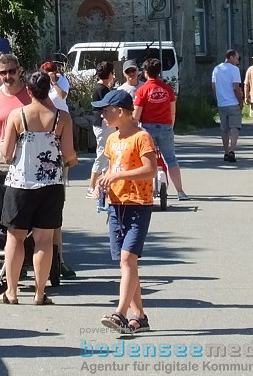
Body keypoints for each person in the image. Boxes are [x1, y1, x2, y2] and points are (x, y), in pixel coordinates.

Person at [0, 72, 77, 305]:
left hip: (20, 183)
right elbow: (69, 153)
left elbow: (7, 153)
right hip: (51, 185)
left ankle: (11, 292)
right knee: (44, 239)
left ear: (28, 91)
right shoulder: (62, 118)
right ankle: (40, 293)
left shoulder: (16, 115)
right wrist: (71, 160)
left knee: (15, 238)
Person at [96, 89, 157, 335]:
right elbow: (113, 167)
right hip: (116, 204)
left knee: (127, 259)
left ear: (120, 111)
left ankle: (120, 313)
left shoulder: (142, 137)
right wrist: (104, 180)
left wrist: (118, 175)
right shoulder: (112, 139)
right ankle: (139, 317)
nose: (101, 114)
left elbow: (150, 169)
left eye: (105, 110)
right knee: (126, 264)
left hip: (138, 204)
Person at [133, 58, 187, 199]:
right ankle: (180, 191)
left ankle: (147, 190)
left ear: (145, 73)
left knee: (146, 160)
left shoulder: (142, 90)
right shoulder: (168, 89)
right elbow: (173, 111)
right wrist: (170, 126)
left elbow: (136, 114)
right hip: (166, 126)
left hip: (147, 128)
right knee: (171, 159)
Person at [88, 61, 118, 197]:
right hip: (102, 123)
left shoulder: (102, 88)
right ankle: (91, 186)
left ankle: (103, 185)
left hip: (101, 123)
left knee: (107, 155)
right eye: (112, 73)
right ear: (109, 74)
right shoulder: (102, 89)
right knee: (102, 154)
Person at [211, 50, 244, 164]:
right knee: (234, 127)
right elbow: (236, 87)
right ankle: (232, 150)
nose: (237, 61)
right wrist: (240, 101)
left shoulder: (216, 69)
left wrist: (218, 99)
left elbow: (214, 87)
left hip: (222, 103)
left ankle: (225, 152)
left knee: (224, 129)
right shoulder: (234, 70)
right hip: (233, 102)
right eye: (236, 58)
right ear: (230, 57)